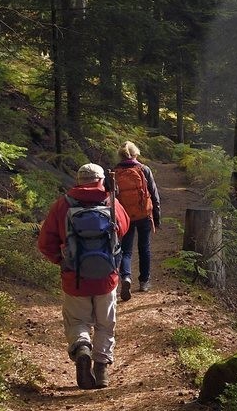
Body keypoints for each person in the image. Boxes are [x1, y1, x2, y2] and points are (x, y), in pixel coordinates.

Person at [37, 162, 131, 389]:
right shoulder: (111, 202)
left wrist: (63, 261)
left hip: (74, 279)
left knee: (78, 320)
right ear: (100, 180)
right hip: (107, 278)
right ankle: (101, 369)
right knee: (105, 324)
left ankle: (82, 348)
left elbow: (45, 243)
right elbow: (124, 227)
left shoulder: (62, 205)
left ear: (78, 181)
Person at [105, 141, 161, 301]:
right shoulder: (144, 170)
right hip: (143, 214)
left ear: (120, 155)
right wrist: (157, 217)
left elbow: (109, 198)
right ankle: (144, 282)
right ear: (136, 153)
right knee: (144, 248)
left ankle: (126, 277)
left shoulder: (114, 172)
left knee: (125, 250)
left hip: (124, 216)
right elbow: (154, 195)